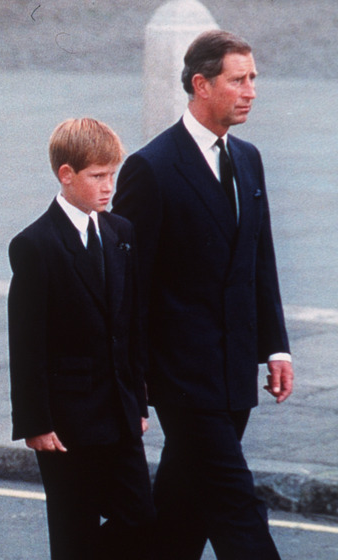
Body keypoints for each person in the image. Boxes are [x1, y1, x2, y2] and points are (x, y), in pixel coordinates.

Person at [112, 30, 293, 560]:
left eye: (253, 78)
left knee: (181, 511)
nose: (251, 90)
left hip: (235, 369)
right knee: (236, 504)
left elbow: (259, 258)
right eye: (238, 80)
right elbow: (130, 284)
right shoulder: (152, 167)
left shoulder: (249, 158)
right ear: (201, 84)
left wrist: (275, 346)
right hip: (182, 378)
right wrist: (133, 376)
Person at [9, 118, 155, 560]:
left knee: (142, 521)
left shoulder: (120, 233)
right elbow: (27, 341)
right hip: (66, 422)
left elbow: (130, 325)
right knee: (73, 532)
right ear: (66, 174)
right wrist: (35, 422)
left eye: (112, 175)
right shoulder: (36, 244)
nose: (108, 186)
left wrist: (138, 400)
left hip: (118, 413)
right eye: (97, 176)